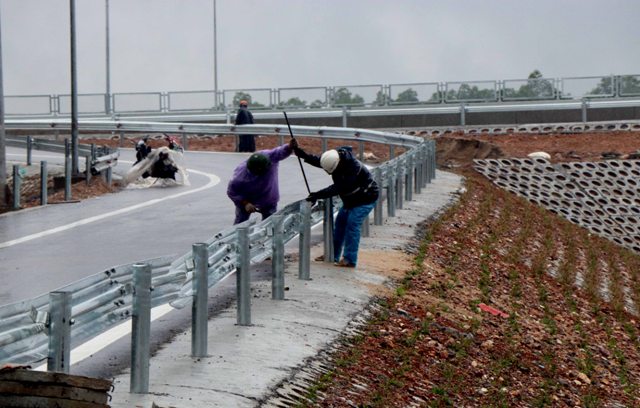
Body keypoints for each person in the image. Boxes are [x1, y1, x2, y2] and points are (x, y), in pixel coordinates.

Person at [293, 145, 379, 268]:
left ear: (337, 166)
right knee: (339, 225)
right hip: (351, 200)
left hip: (365, 199)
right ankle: (332, 254)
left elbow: (337, 188)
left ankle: (350, 259)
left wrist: (317, 195)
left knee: (352, 226)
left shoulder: (352, 168)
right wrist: (303, 154)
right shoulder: (335, 159)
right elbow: (320, 162)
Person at [227, 139, 296, 224]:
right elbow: (232, 192)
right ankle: (238, 231)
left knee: (270, 223)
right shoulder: (239, 177)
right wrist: (245, 203)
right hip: (248, 198)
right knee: (241, 222)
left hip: (268, 198)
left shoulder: (269, 157)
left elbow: (279, 152)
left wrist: (289, 147)